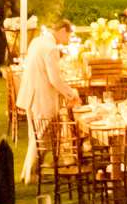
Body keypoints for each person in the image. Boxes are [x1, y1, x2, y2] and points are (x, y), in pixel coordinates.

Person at [13, 18, 80, 183]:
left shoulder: (37, 41)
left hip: (30, 93)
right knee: (40, 136)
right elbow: (54, 79)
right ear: (63, 31)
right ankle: (30, 174)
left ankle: (27, 173)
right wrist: (71, 93)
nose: (68, 40)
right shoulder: (51, 48)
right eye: (69, 36)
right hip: (41, 97)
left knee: (36, 135)